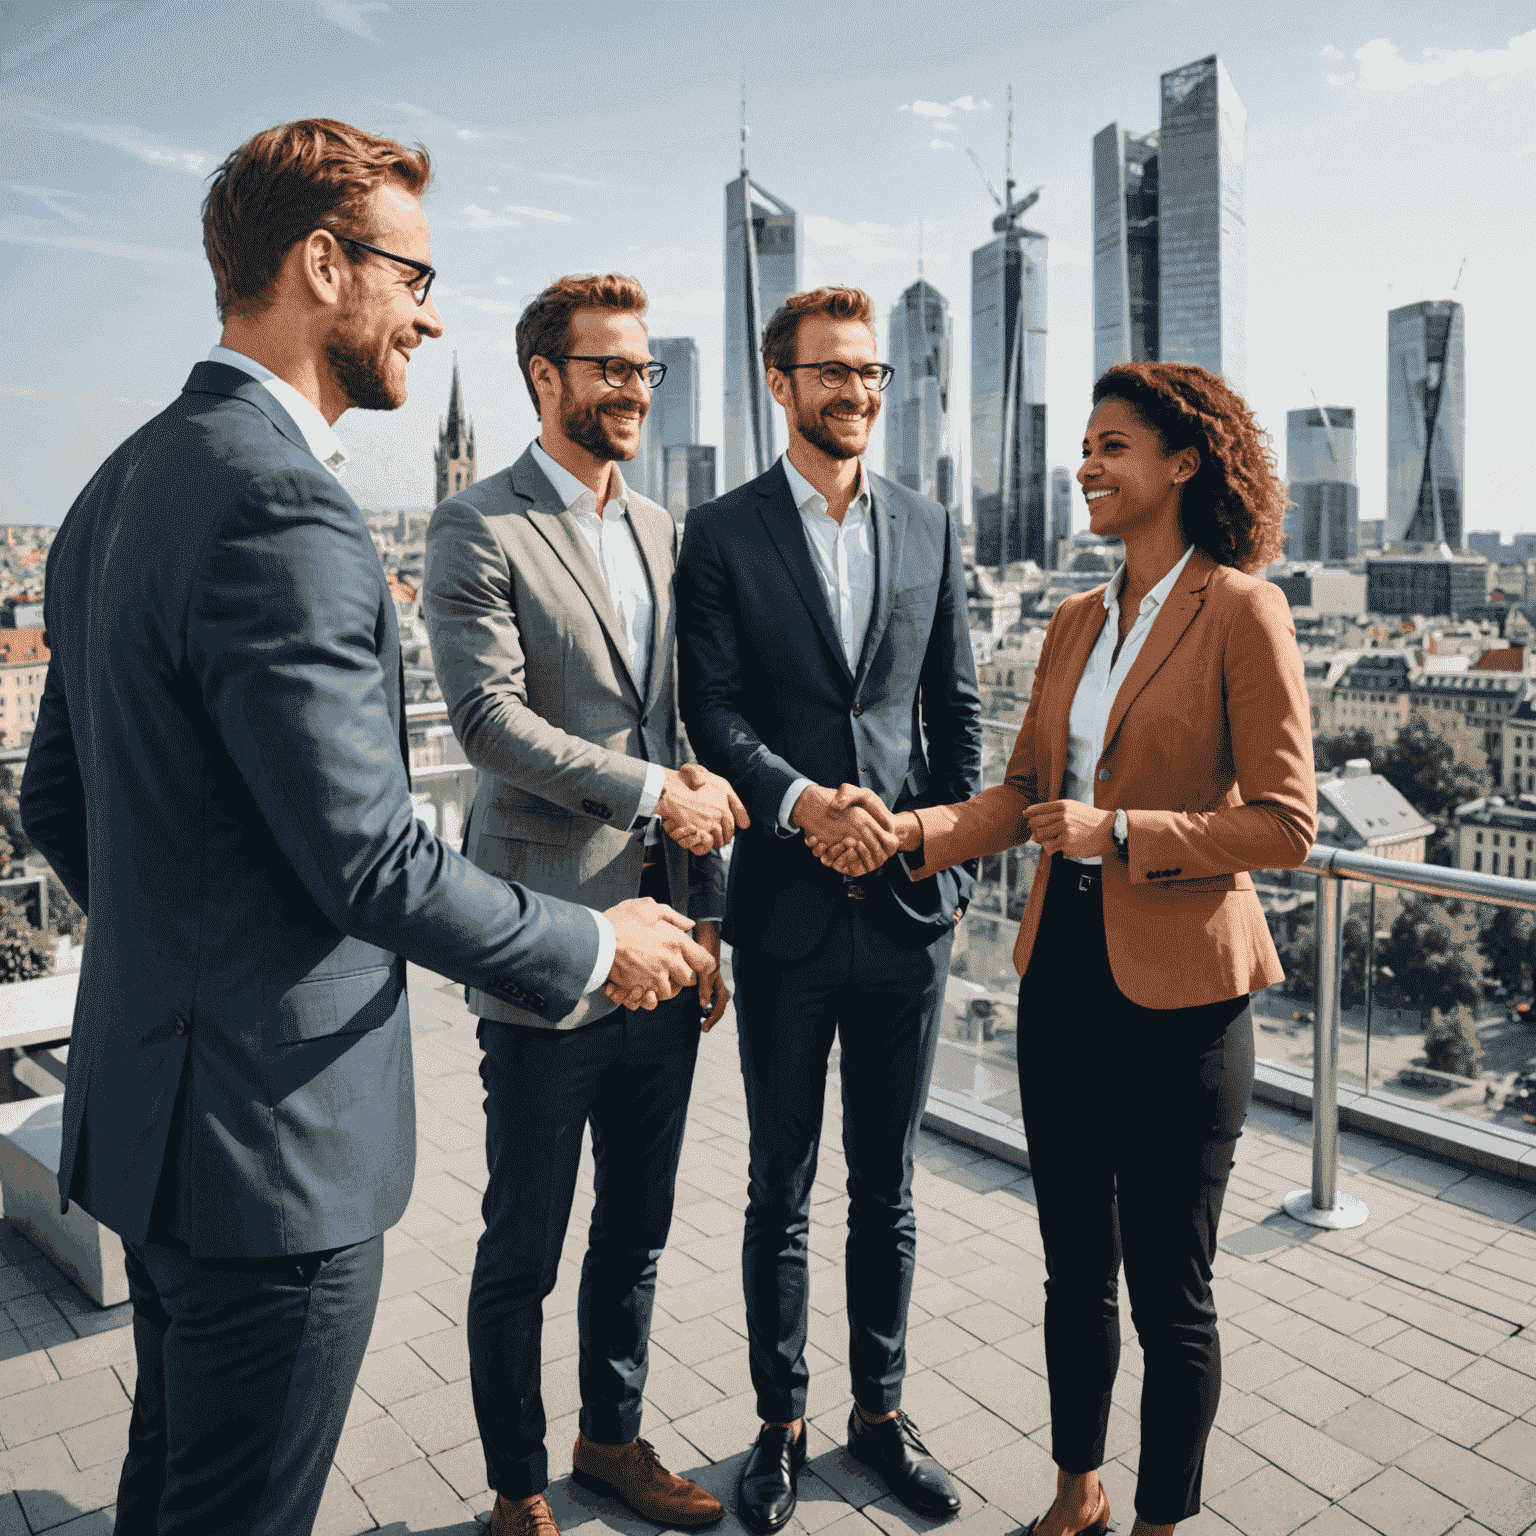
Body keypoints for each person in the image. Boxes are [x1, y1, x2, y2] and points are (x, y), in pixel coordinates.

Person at [18, 120, 714, 1536]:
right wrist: (593, 945)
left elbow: (55, 803)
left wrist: (192, 968)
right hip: (270, 1148)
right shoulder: (288, 505)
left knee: (173, 1483)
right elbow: (371, 859)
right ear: (323, 265)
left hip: (149, 1111)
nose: (432, 310)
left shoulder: (114, 487)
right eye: (415, 274)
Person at [815, 361, 1316, 1536]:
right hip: (1063, 971)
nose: (1084, 467)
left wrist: (1125, 830)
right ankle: (1076, 1494)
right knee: (1072, 1268)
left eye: (1112, 447)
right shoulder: (1077, 620)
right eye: (1083, 447)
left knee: (1171, 1291)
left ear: (1183, 464)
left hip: (1187, 986)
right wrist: (912, 834)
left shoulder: (1243, 608)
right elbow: (1026, 793)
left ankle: (1159, 1521)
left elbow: (1286, 824)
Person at [423, 273, 747, 1536]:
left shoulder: (666, 530)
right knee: (524, 1247)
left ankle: (610, 1440)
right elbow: (486, 722)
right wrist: (654, 791)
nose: (631, 389)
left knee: (639, 1229)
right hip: (549, 940)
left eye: (645, 369)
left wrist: (707, 921)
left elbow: (687, 735)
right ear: (543, 377)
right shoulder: (476, 527)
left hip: (663, 949)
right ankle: (515, 1492)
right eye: (607, 367)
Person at [674, 286, 983, 1534]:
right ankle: (783, 1424)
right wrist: (807, 808)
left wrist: (933, 858)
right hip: (790, 911)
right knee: (780, 1186)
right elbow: (716, 713)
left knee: (890, 1188)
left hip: (907, 913)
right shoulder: (722, 531)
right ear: (779, 382)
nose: (856, 393)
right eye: (832, 373)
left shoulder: (931, 524)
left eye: (872, 375)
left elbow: (955, 716)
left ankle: (880, 1411)